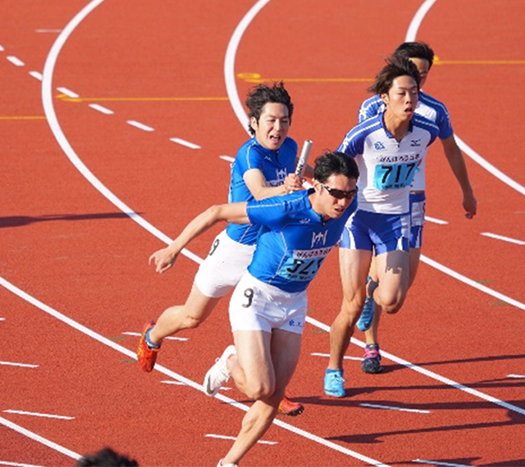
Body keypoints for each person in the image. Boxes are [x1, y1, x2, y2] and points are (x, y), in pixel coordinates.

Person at [150, 151, 359, 467]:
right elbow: (217, 211)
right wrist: (174, 247)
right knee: (260, 386)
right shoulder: (286, 208)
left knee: (273, 398)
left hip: (294, 304)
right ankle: (231, 359)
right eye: (336, 193)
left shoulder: (348, 207)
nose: (343, 202)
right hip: (256, 298)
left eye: (349, 194)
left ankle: (229, 462)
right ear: (317, 186)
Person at [137, 82, 306, 416]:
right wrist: (174, 248)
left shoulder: (291, 148)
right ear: (255, 122)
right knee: (191, 316)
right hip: (234, 249)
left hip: (268, 252)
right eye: (271, 120)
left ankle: (274, 389)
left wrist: (327, 180)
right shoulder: (249, 154)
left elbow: (303, 173)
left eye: (284, 120)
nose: (278, 127)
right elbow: (258, 192)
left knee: (269, 318)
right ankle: (152, 335)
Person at [354, 42, 477, 374]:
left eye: (423, 75)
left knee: (399, 288)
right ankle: (371, 344)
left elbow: (452, 150)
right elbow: (361, 153)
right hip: (376, 204)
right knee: (382, 272)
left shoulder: (434, 110)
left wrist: (466, 191)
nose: (417, 82)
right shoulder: (370, 108)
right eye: (412, 72)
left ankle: (372, 293)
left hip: (413, 202)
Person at [324, 54, 440, 397]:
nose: (409, 101)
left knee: (391, 301)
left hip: (395, 221)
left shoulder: (427, 132)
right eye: (402, 94)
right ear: (384, 98)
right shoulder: (364, 134)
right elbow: (336, 167)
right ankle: (334, 368)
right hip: (359, 220)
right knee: (352, 304)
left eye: (414, 94)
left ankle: (375, 294)